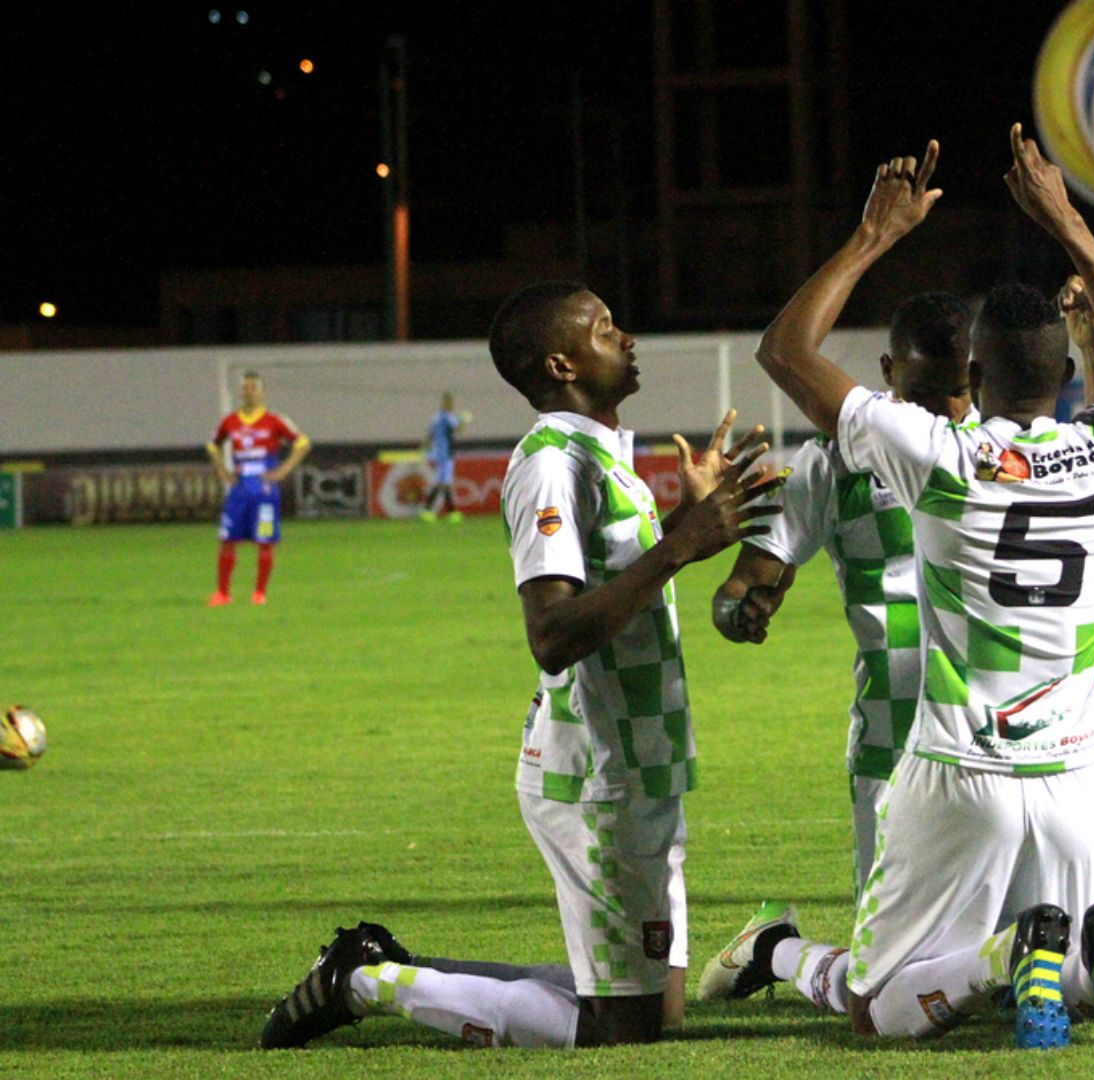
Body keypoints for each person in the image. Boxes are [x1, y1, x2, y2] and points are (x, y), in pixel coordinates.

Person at [700, 137, 1094, 1050]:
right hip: (1076, 768)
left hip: (955, 758)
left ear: (977, 381)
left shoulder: (939, 460)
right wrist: (1069, 222)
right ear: (1068, 380)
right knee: (1067, 984)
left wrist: (875, 235)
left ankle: (819, 954)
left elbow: (784, 350)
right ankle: (1050, 959)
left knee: (883, 1001)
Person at [258, 281, 781, 1050]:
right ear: (564, 362)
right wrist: (681, 544)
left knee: (655, 1009)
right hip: (597, 768)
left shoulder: (600, 453)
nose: (627, 337)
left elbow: (613, 584)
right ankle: (362, 981)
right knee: (621, 1032)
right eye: (606, 329)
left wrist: (680, 522)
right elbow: (553, 631)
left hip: (637, 756)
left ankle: (385, 965)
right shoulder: (548, 462)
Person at [705, 291, 976, 906]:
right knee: (885, 965)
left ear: (978, 375)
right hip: (893, 738)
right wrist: (740, 609)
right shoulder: (835, 463)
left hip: (993, 742)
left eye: (956, 391)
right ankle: (774, 951)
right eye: (925, 392)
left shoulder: (999, 450)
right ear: (887, 373)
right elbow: (746, 581)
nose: (943, 410)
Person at [206, 371, 310, 606]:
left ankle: (259, 593)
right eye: (246, 387)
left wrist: (283, 470)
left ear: (262, 392)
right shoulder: (230, 421)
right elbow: (212, 445)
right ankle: (223, 593)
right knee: (227, 538)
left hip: (264, 490)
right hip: (240, 488)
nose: (250, 391)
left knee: (265, 540)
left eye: (254, 387)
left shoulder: (275, 420)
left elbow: (302, 444)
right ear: (240, 392)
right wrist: (222, 470)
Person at [420, 391, 471, 522]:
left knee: (443, 482)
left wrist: (425, 450)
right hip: (445, 453)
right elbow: (457, 429)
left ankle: (442, 511)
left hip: (437, 453)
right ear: (446, 403)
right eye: (449, 402)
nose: (451, 404)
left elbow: (429, 435)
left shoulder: (436, 417)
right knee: (444, 482)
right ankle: (436, 510)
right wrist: (464, 421)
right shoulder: (447, 417)